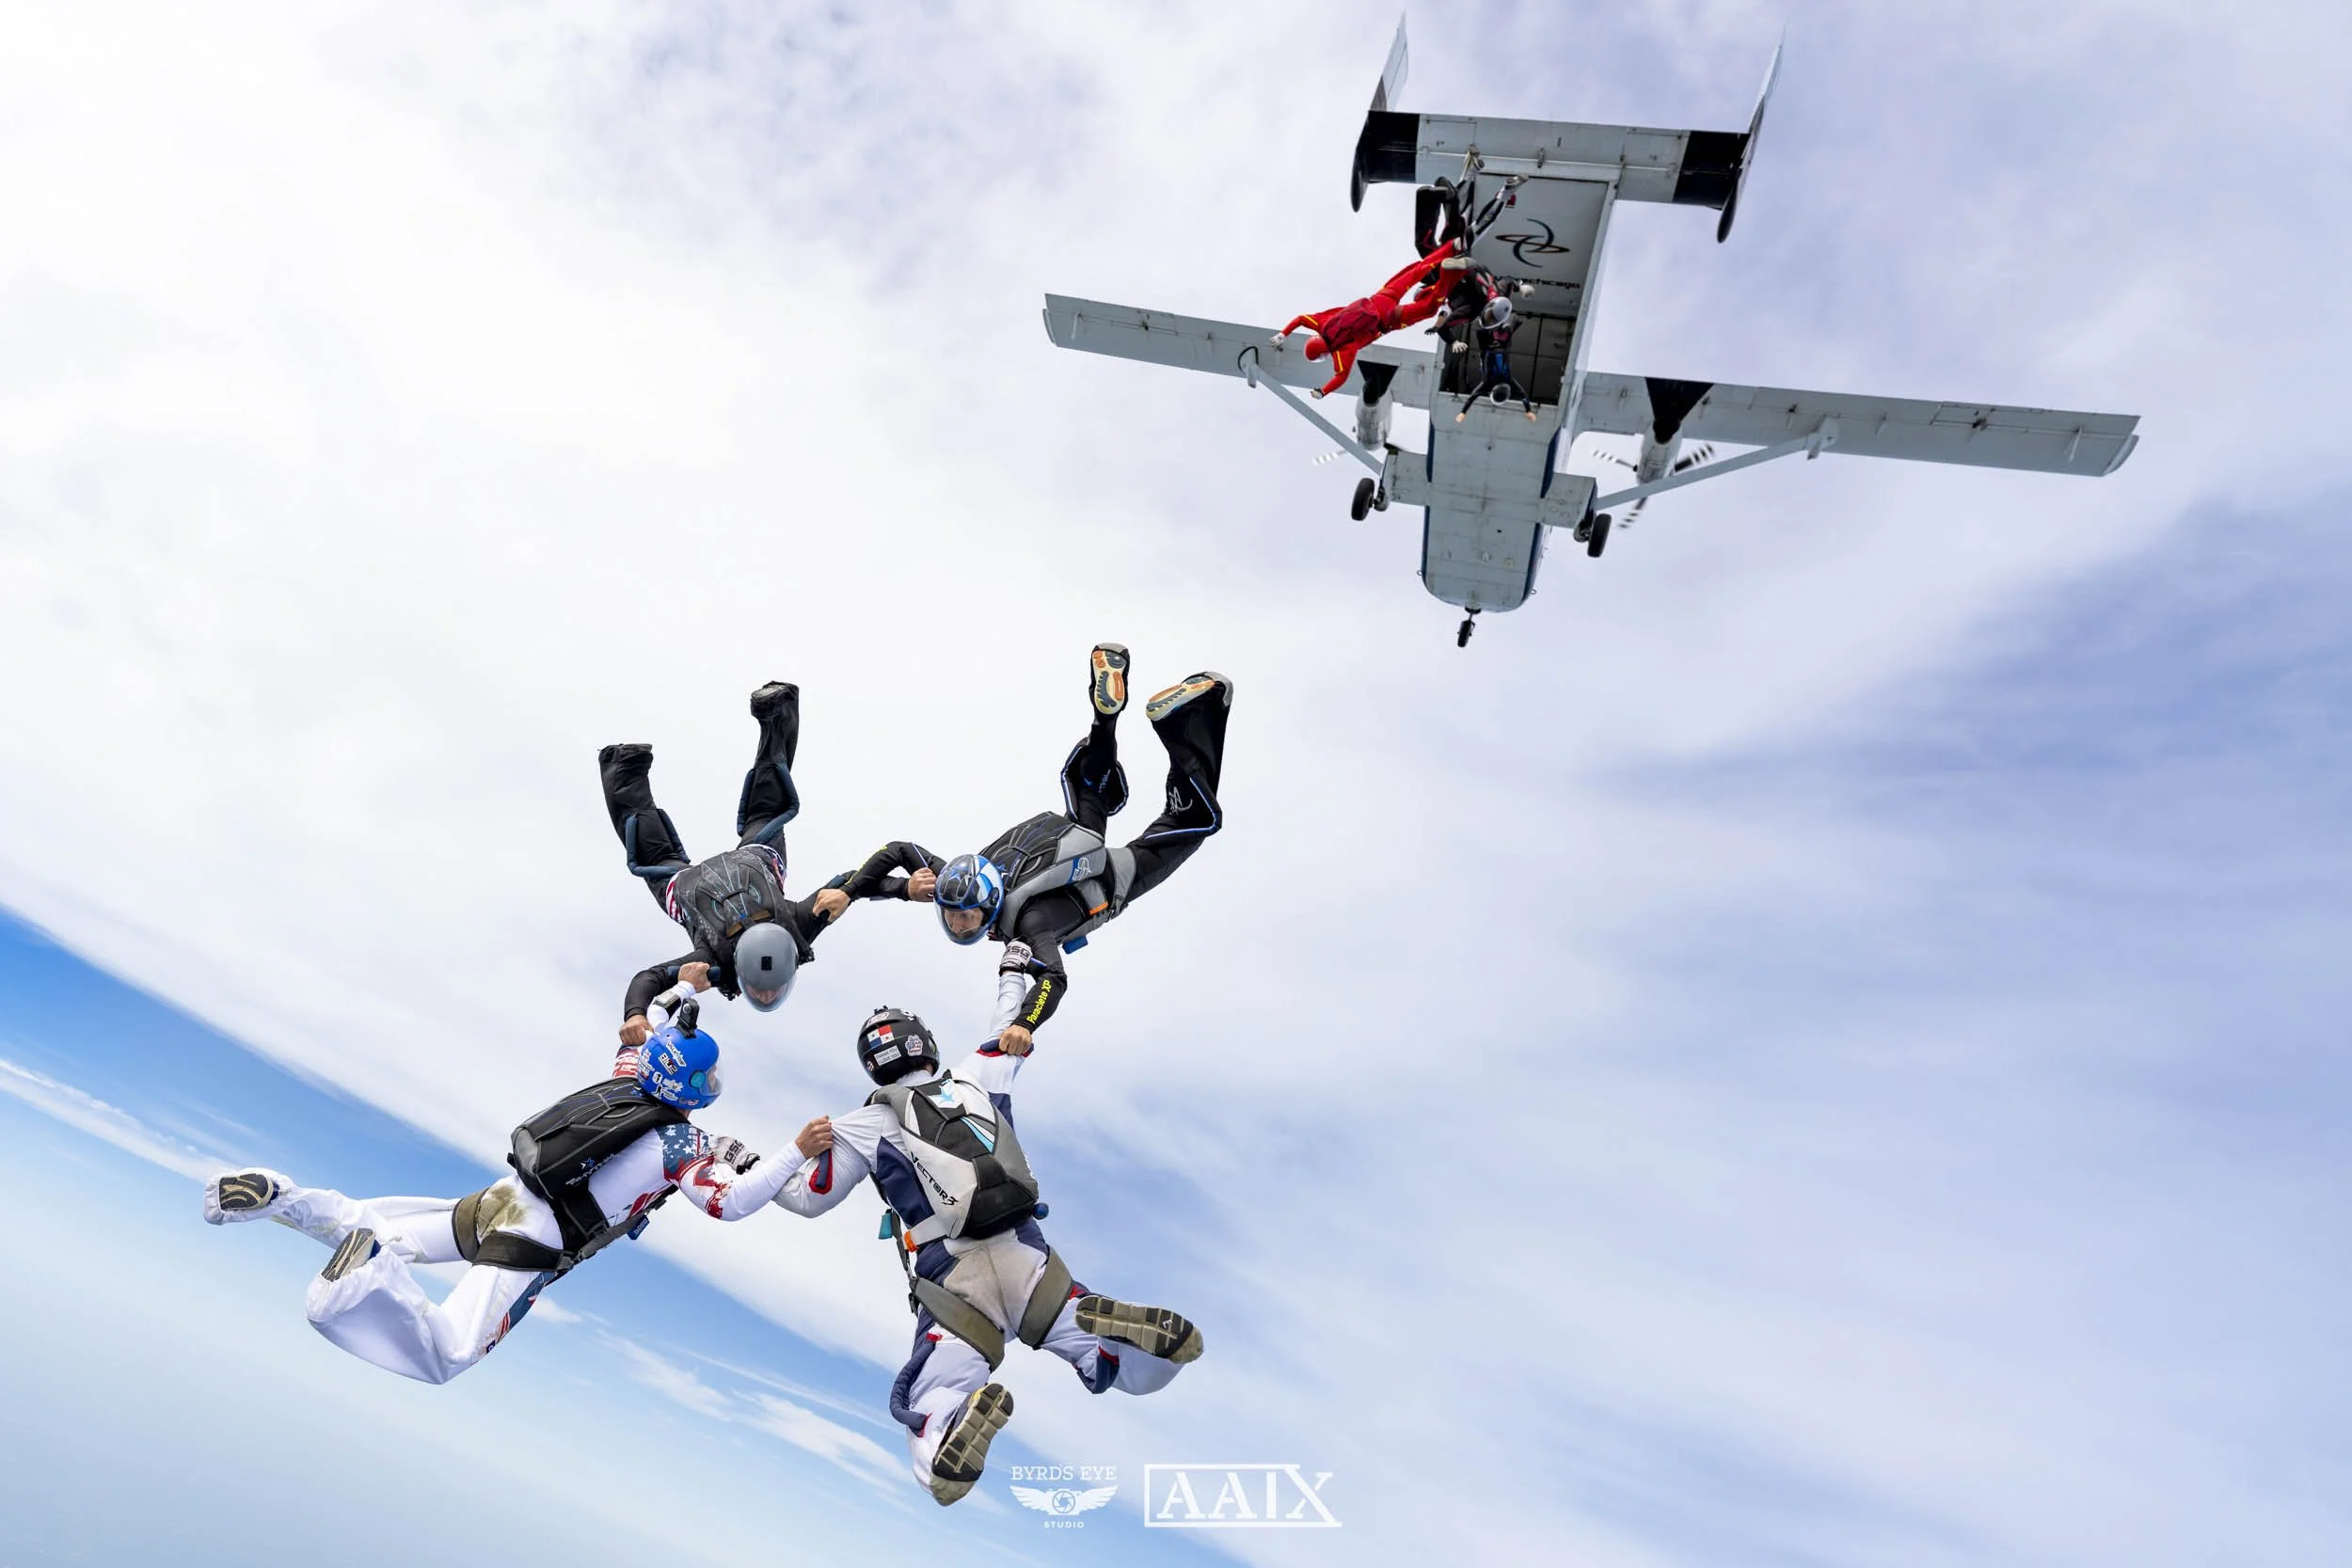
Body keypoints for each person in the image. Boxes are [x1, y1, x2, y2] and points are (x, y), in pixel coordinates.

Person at [201, 1006, 826, 1385]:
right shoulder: (679, 1145)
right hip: (532, 1239)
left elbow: (636, 1025)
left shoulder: (629, 1073)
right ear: (691, 1082)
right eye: (708, 1074)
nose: (713, 1082)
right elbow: (732, 1202)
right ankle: (366, 1274)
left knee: (370, 1218)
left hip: (502, 1194)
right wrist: (795, 1149)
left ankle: (278, 1194)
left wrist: (680, 996)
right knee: (447, 1351)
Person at [763, 968, 1203, 1505]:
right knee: (1115, 1367)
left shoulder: (862, 1123)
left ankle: (952, 1420)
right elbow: (1009, 1023)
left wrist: (769, 1160)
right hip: (1024, 1252)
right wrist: (1015, 970)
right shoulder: (976, 1075)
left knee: (932, 1392)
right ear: (925, 1044)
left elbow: (811, 1198)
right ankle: (1118, 1340)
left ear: (873, 1066)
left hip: (952, 1278)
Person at [835, 644, 1232, 1053]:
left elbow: (1053, 979)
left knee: (1192, 821)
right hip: (1074, 831)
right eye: (954, 917)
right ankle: (1107, 717)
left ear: (989, 903)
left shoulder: (1029, 923)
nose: (959, 925)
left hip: (1113, 876)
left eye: (967, 917)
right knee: (1094, 788)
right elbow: (899, 850)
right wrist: (851, 892)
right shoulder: (956, 879)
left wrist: (1025, 1023)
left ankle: (1185, 720)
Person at [599, 681, 881, 1047]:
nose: (764, 995)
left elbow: (856, 880)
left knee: (766, 809)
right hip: (706, 877)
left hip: (744, 863)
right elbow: (649, 979)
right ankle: (624, 767)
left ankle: (776, 710)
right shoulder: (720, 963)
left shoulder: (798, 927)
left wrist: (899, 887)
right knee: (659, 849)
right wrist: (636, 1013)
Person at [1273, 237, 1467, 398]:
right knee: (1415, 271)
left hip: (1388, 320)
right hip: (1381, 298)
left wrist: (1323, 391)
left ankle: (1450, 272)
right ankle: (1454, 246)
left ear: (1323, 354)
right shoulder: (1321, 324)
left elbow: (1340, 378)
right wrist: (1283, 333)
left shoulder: (1341, 351)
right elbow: (1300, 319)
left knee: (1429, 308)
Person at [1452, 293, 1537, 422]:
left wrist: (1528, 411)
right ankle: (1494, 304)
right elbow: (1472, 397)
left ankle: (1500, 309)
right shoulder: (1488, 384)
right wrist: (1463, 413)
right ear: (1492, 391)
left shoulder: (1508, 383)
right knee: (1483, 323)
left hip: (1501, 345)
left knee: (1505, 322)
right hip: (1489, 347)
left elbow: (1524, 396)